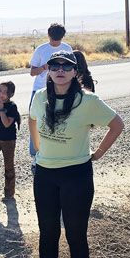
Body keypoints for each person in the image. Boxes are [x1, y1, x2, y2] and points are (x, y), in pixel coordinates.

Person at [27, 51, 124, 258]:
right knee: (47, 232)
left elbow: (117, 125)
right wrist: (37, 147)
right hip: (45, 174)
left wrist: (100, 152)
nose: (60, 69)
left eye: (66, 66)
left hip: (76, 175)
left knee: (75, 234)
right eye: (54, 65)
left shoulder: (88, 100)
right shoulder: (40, 97)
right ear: (48, 69)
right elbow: (32, 118)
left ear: (75, 71)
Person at [29, 23, 73, 170]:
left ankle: (57, 153)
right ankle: (36, 155)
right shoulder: (41, 50)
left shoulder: (67, 49)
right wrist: (45, 67)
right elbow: (32, 72)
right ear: (48, 35)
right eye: (54, 39)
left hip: (61, 91)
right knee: (36, 122)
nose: (55, 42)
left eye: (58, 39)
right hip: (40, 90)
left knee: (60, 122)